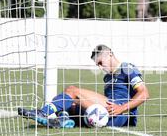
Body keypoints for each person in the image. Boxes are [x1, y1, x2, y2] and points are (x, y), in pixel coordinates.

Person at [18, 44, 150, 128]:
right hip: (107, 114)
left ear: (110, 54)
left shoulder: (126, 68)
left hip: (120, 113)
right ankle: (64, 120)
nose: (99, 66)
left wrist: (122, 108)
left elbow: (144, 94)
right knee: (70, 103)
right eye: (97, 64)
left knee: (71, 91)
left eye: (100, 62)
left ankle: (43, 112)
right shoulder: (108, 77)